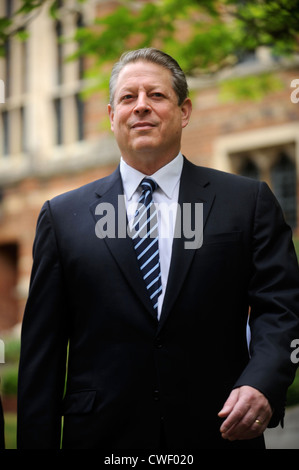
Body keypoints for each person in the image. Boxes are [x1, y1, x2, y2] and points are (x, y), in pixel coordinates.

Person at [17, 47, 299, 449]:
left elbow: (283, 308)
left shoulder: (246, 201)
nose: (141, 107)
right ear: (112, 115)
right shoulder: (62, 218)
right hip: (102, 437)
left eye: (157, 95)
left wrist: (264, 383)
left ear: (184, 112)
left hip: (218, 432)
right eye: (128, 98)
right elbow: (41, 354)